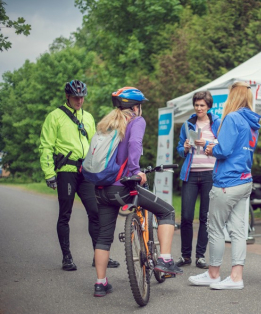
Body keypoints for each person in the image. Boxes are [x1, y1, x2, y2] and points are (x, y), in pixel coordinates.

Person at [92, 87, 182, 297]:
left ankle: (100, 283)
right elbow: (134, 143)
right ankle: (165, 259)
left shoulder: (105, 124)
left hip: (101, 189)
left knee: (104, 237)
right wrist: (135, 171)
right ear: (135, 106)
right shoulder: (136, 121)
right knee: (167, 211)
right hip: (122, 187)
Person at [39, 80, 119, 271]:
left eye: (82, 97)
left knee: (96, 212)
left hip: (86, 172)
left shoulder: (89, 117)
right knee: (65, 214)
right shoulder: (55, 117)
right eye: (76, 97)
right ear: (67, 96)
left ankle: (98, 256)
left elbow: (95, 145)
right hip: (66, 171)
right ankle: (67, 257)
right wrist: (49, 173)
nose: (79, 100)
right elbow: (46, 145)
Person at [188, 82, 260, 290]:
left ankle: (213, 274)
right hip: (244, 180)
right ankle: (236, 277)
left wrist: (211, 148)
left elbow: (225, 149)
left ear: (233, 97)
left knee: (216, 228)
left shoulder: (232, 118)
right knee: (238, 231)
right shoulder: (252, 122)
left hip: (227, 181)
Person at [176, 91, 220, 269]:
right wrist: (185, 147)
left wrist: (208, 145)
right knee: (186, 216)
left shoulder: (217, 123)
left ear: (208, 106)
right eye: (196, 105)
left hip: (210, 174)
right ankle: (185, 256)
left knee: (205, 217)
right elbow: (179, 149)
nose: (199, 108)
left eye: (202, 105)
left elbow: (223, 145)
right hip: (191, 174)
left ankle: (200, 256)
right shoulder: (187, 124)